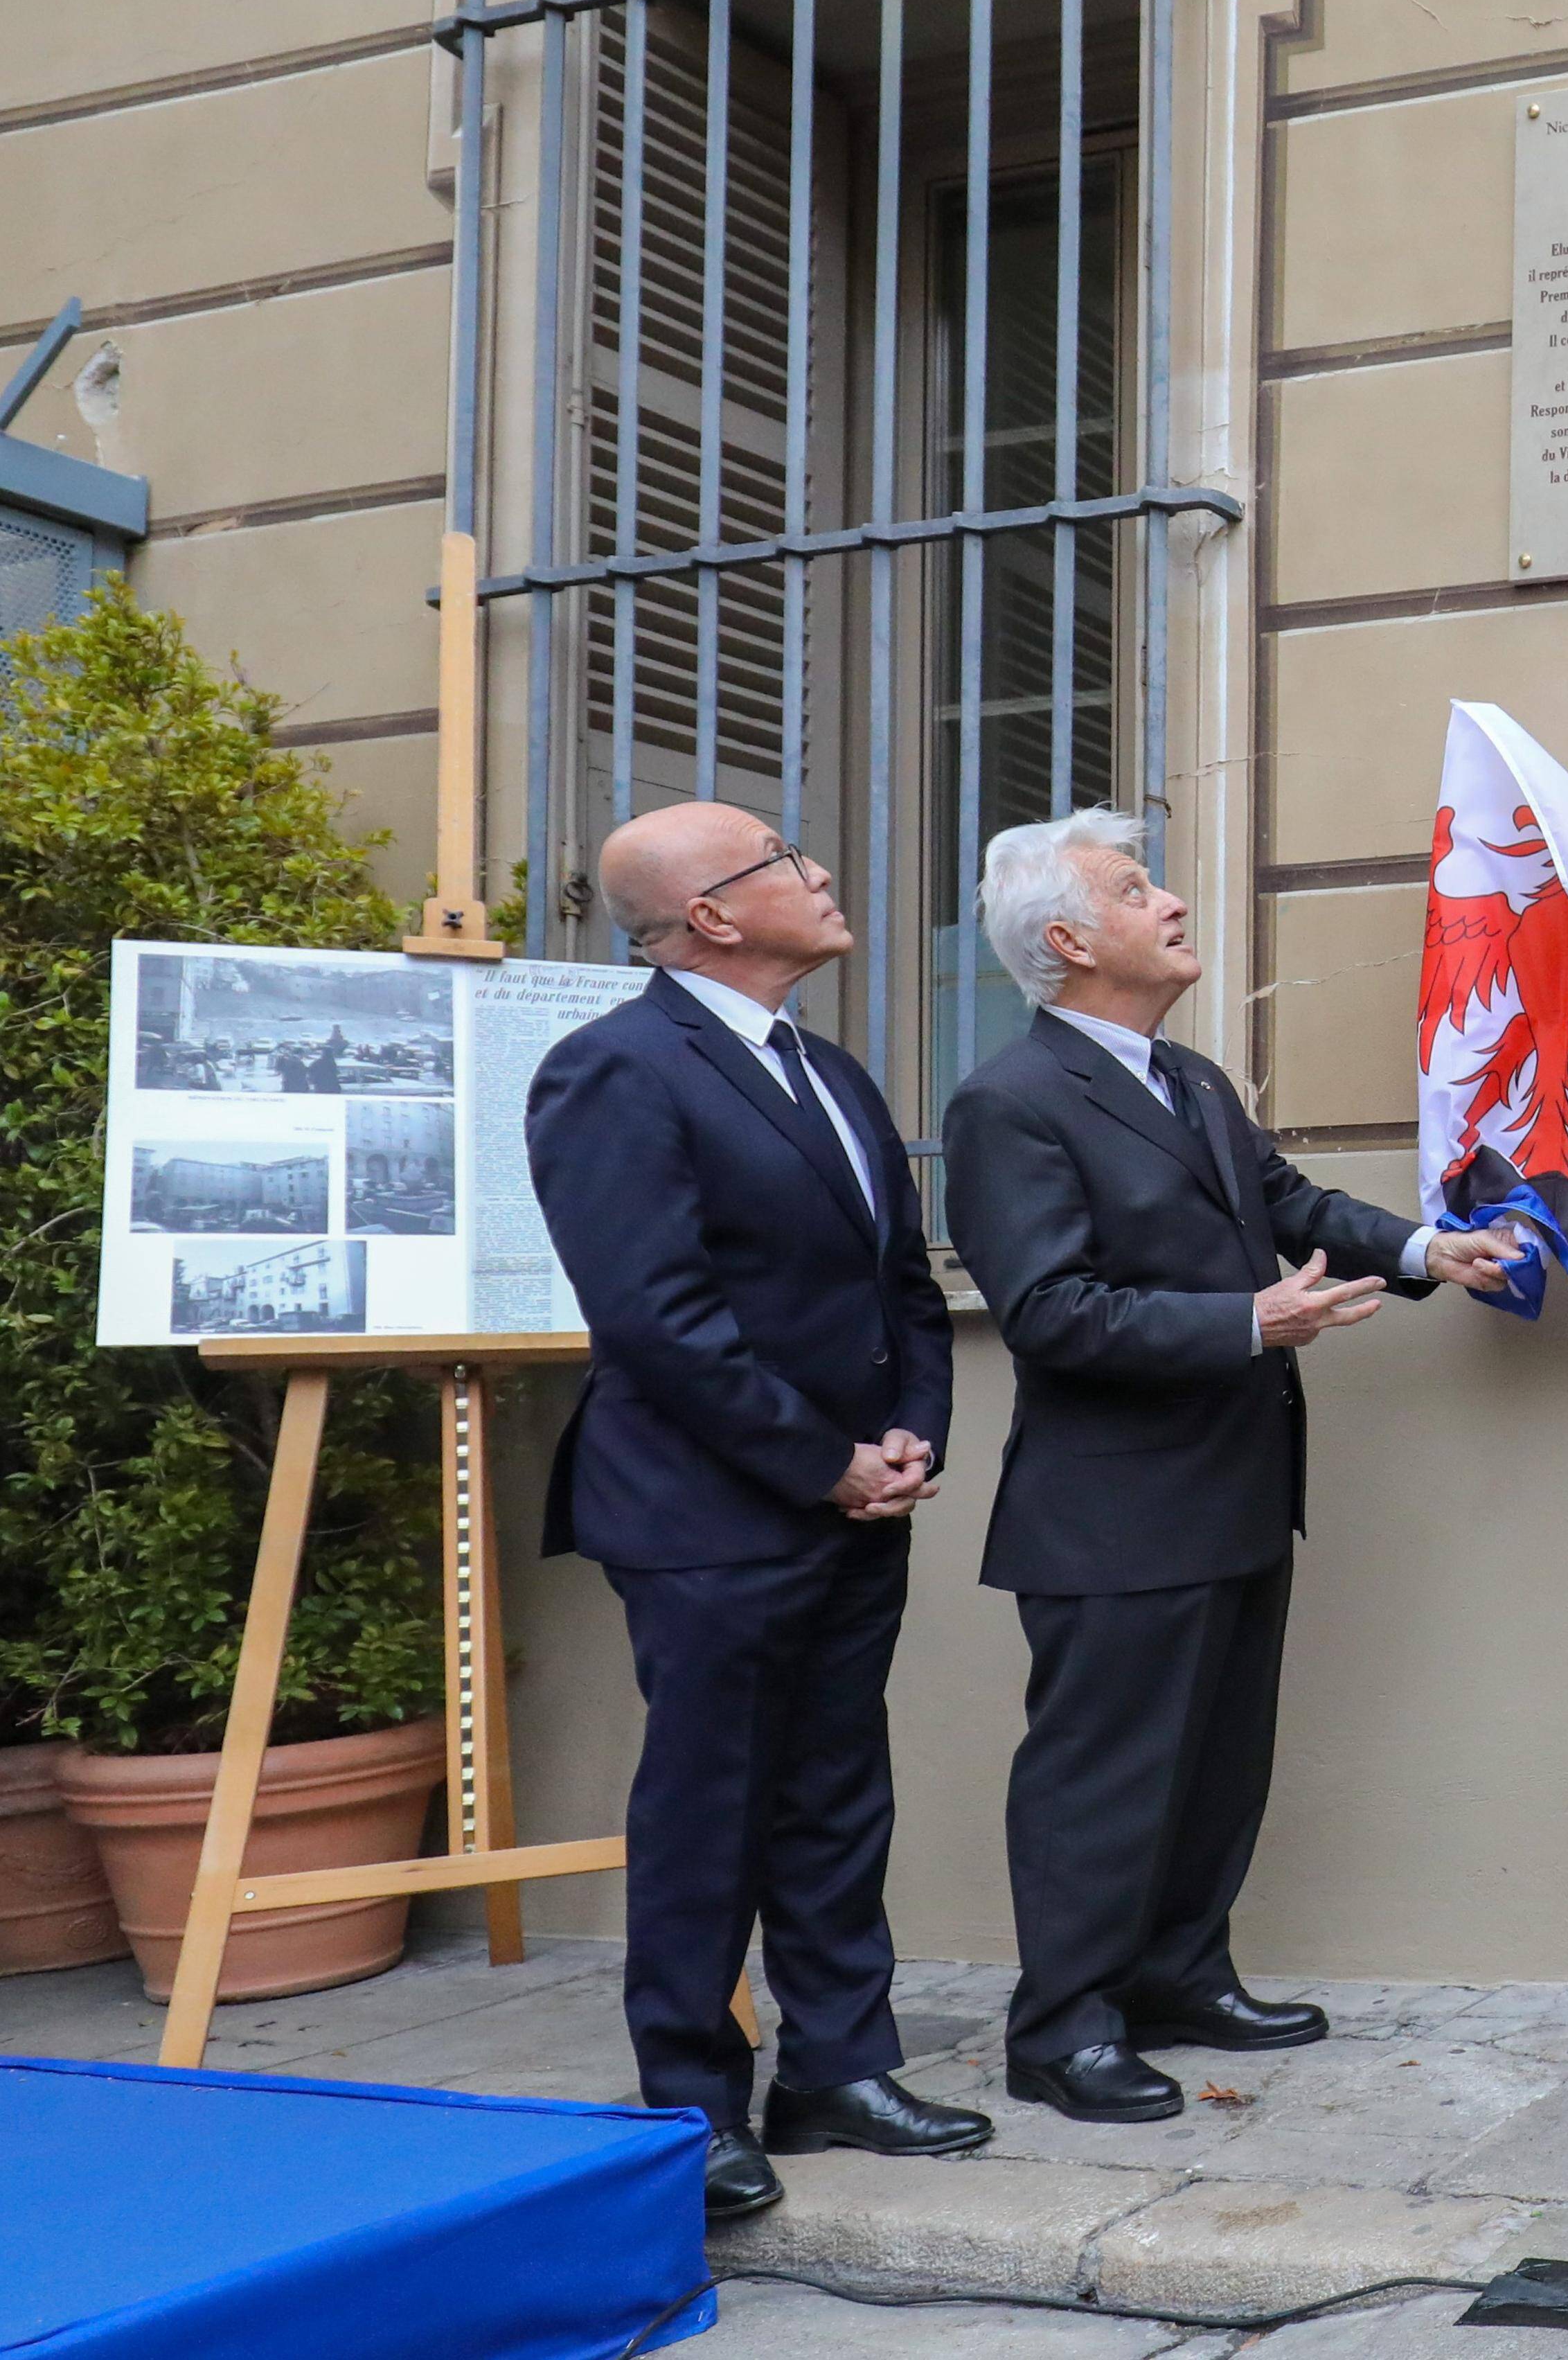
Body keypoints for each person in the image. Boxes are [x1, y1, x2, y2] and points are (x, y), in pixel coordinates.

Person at [941, 810, 1525, 2125]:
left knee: (1215, 1760)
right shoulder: (1007, 1101)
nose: (1174, 903)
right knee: (1104, 1777)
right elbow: (1049, 1311)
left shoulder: (1189, 1078)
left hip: (1239, 1489)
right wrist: (1246, 1321)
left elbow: (1294, 1204)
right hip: (1113, 1511)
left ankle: (1179, 1974)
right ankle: (1065, 2028)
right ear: (1070, 938)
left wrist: (1432, 1251)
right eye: (1138, 889)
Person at [525, 803, 991, 2221]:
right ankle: (690, 2103)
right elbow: (656, 1318)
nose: (825, 867)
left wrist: (912, 1430)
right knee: (709, 1806)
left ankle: (840, 2068)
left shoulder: (831, 1071)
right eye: (788, 858)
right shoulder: (611, 1069)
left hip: (854, 1499)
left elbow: (901, 1282)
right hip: (707, 1510)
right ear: (714, 916)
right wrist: (820, 1459)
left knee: (839, 1790)